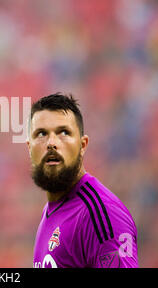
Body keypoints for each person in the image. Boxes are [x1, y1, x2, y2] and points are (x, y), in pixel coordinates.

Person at [27, 93, 138, 268]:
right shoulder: (50, 210)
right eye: (41, 134)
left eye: (63, 132)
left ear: (83, 145)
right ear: (29, 147)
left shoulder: (101, 213)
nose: (51, 143)